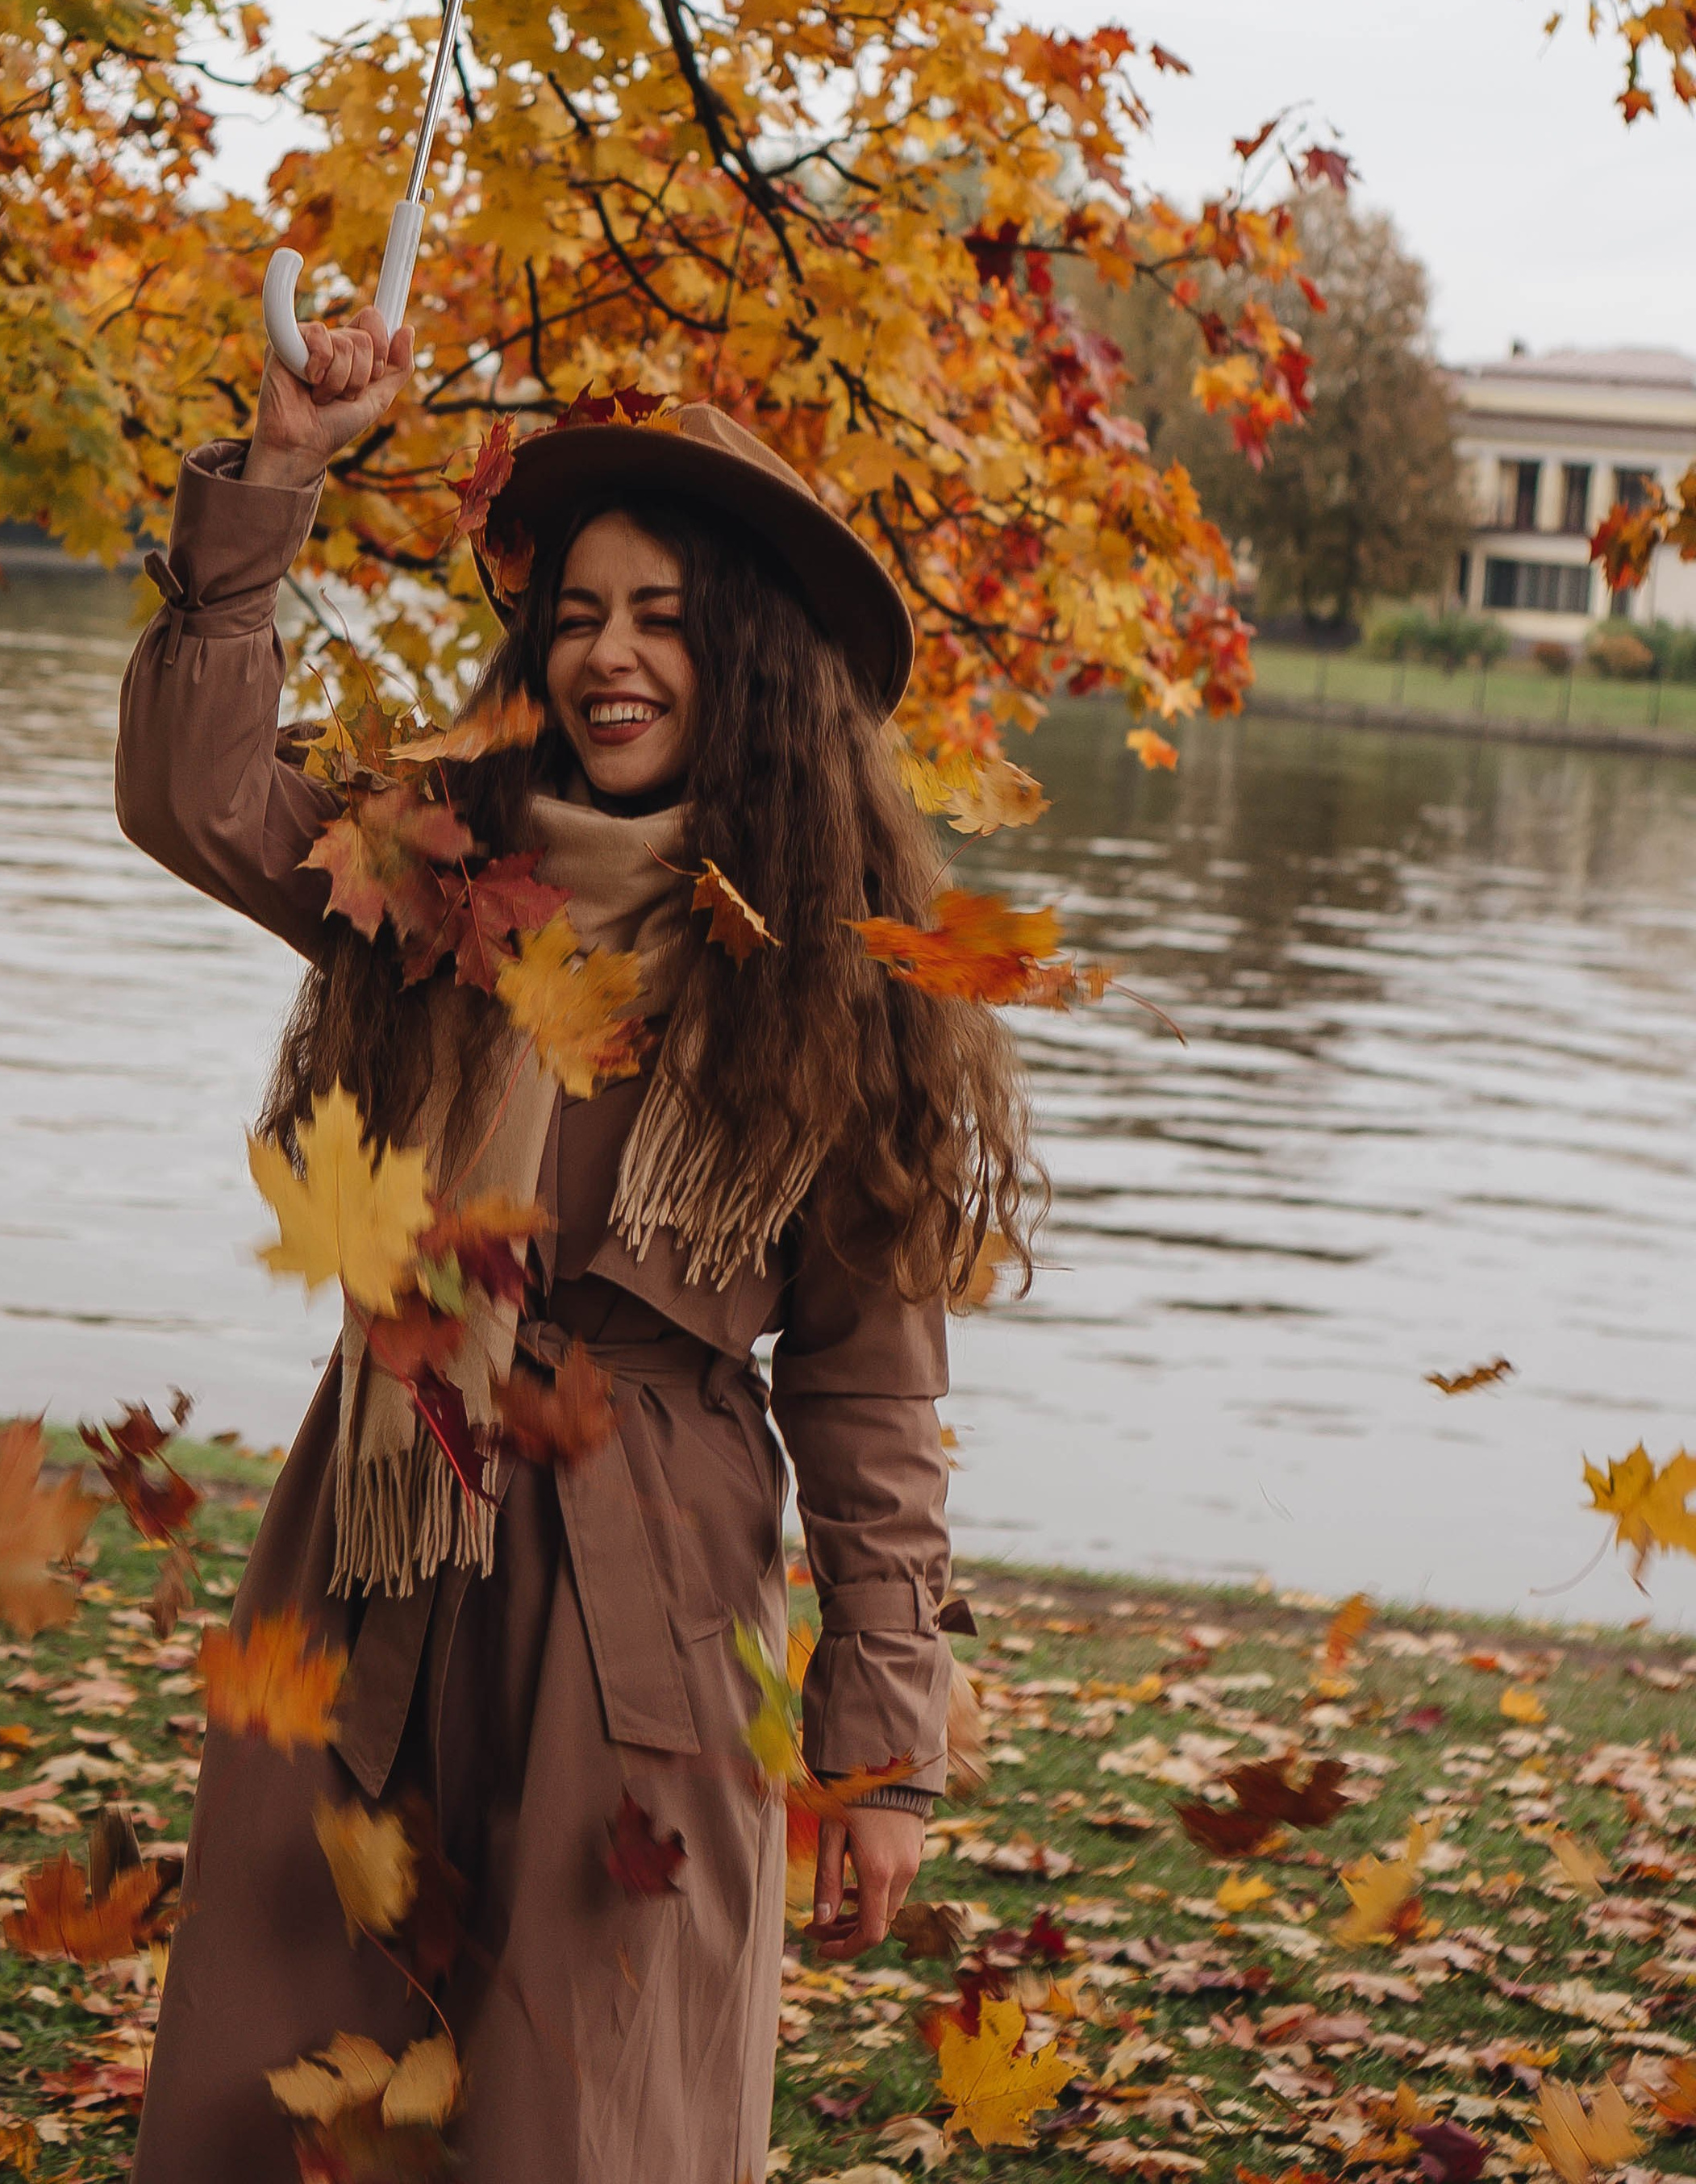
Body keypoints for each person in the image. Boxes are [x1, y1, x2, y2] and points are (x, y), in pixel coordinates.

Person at [114, 303, 1036, 2184]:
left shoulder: (835, 989)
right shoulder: (434, 879)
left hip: (653, 1596)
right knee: (301, 2055)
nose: (610, 657)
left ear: (752, 665)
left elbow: (871, 1403)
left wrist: (876, 1750)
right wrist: (278, 470)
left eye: (665, 620)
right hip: (378, 1529)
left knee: (584, 2102)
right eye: (580, 614)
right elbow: (192, 794)